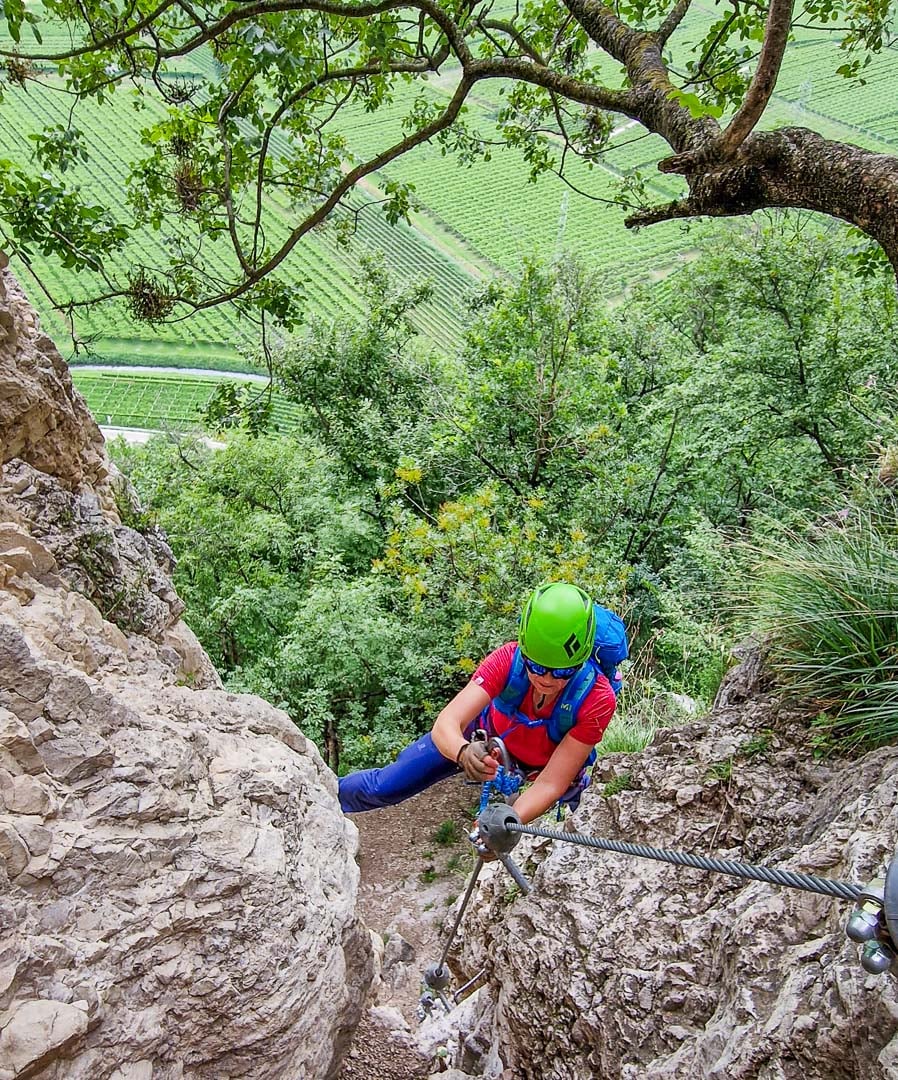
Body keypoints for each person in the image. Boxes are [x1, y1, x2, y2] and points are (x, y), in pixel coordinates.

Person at [338, 582, 618, 825]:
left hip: (542, 768)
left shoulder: (597, 698)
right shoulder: (508, 660)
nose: (546, 678)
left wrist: (506, 822)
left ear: (581, 661)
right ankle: (324, 794)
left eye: (562, 671)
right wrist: (462, 752)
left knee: (587, 824)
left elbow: (551, 782)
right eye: (536, 666)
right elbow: (447, 723)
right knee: (383, 786)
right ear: (524, 651)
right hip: (482, 738)